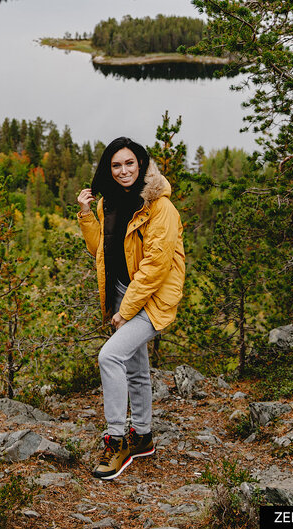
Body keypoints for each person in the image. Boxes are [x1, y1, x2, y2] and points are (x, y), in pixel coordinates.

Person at [76, 137, 185, 480]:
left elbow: (155, 266)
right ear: (109, 169)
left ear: (142, 165)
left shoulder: (160, 207)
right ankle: (143, 435)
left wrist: (125, 312)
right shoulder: (108, 203)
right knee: (136, 368)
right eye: (116, 165)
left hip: (151, 299)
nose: (124, 171)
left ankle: (117, 440)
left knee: (109, 357)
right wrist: (84, 214)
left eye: (130, 164)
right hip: (126, 293)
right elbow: (103, 250)